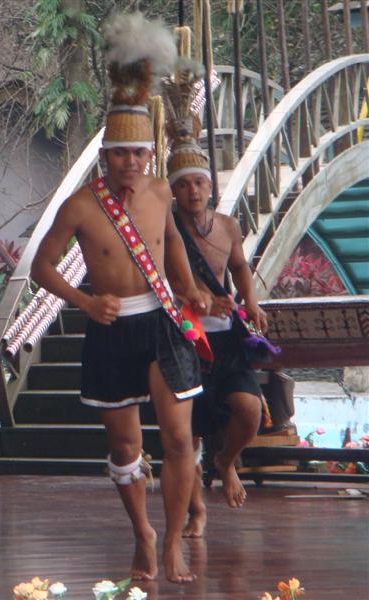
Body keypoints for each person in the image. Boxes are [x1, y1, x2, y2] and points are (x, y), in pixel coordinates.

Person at [31, 13, 208, 584]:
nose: (131, 162)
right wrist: (85, 304)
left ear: (149, 154)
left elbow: (172, 242)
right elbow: (40, 267)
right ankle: (144, 535)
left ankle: (174, 541)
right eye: (120, 153)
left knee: (177, 437)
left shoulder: (160, 192)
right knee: (126, 446)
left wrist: (190, 287)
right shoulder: (81, 206)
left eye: (138, 153)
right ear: (105, 155)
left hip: (160, 323)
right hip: (109, 329)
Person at [162, 61, 267, 527]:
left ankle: (226, 463)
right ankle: (196, 511)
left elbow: (240, 267)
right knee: (188, 434)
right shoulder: (165, 229)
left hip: (226, 339)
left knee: (250, 409)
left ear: (210, 185)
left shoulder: (226, 226)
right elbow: (163, 280)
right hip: (184, 338)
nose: (193, 191)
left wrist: (251, 302)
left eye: (199, 182)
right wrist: (194, 297)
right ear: (172, 190)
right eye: (183, 184)